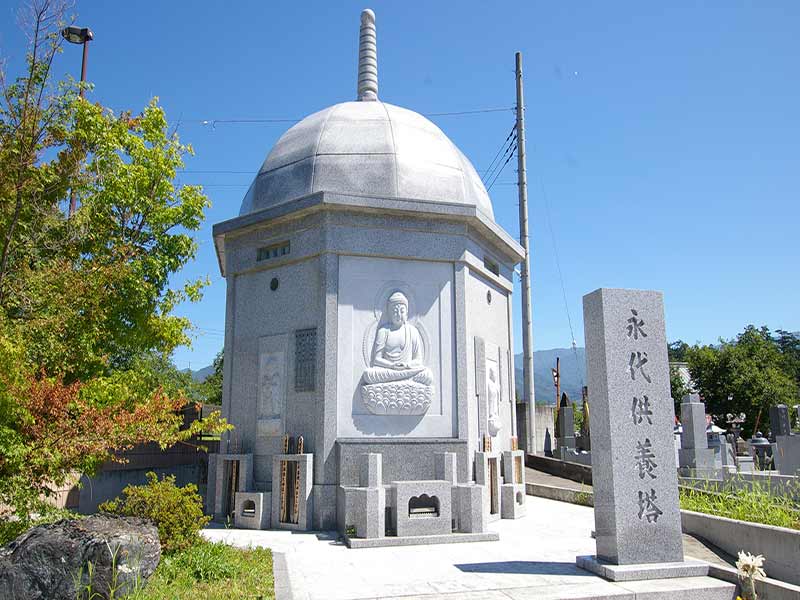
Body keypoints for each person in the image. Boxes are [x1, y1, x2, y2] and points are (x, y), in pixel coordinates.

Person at [363, 291, 433, 385]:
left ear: (407, 313)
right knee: (369, 374)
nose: (399, 315)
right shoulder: (384, 331)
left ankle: (402, 378)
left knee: (427, 375)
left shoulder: (412, 331)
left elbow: (418, 360)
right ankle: (405, 380)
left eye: (402, 311)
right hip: (389, 370)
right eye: (395, 311)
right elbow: (377, 359)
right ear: (389, 313)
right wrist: (392, 365)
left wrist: (407, 365)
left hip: (408, 369)